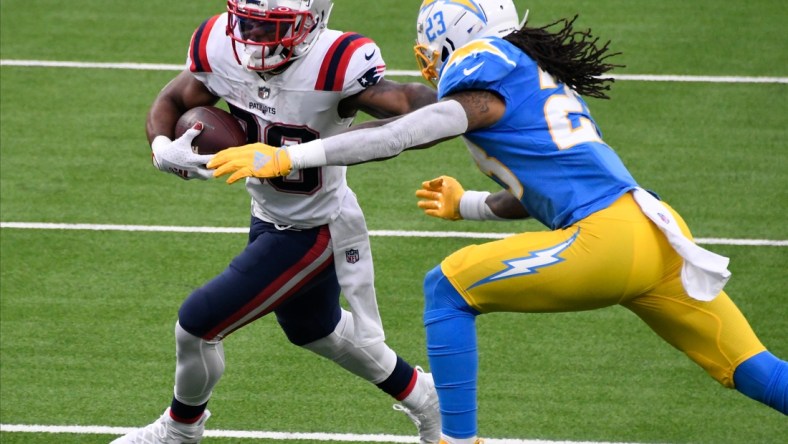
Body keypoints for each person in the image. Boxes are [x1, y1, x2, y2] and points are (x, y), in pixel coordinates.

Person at [208, 0, 788, 442]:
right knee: (752, 370)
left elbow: (404, 133)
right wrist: (468, 206)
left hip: (609, 240)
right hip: (655, 233)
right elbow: (533, 189)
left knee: (448, 286)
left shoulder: (482, 72)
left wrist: (291, 155)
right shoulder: (531, 79)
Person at [111, 1, 443, 443]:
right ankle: (426, 398)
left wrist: (456, 97)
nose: (253, 38)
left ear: (312, 23)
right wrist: (161, 147)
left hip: (316, 229)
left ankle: (180, 429)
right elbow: (173, 99)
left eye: (272, 27)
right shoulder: (221, 45)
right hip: (268, 215)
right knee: (314, 329)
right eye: (247, 21)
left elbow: (416, 109)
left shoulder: (334, 62)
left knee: (196, 325)